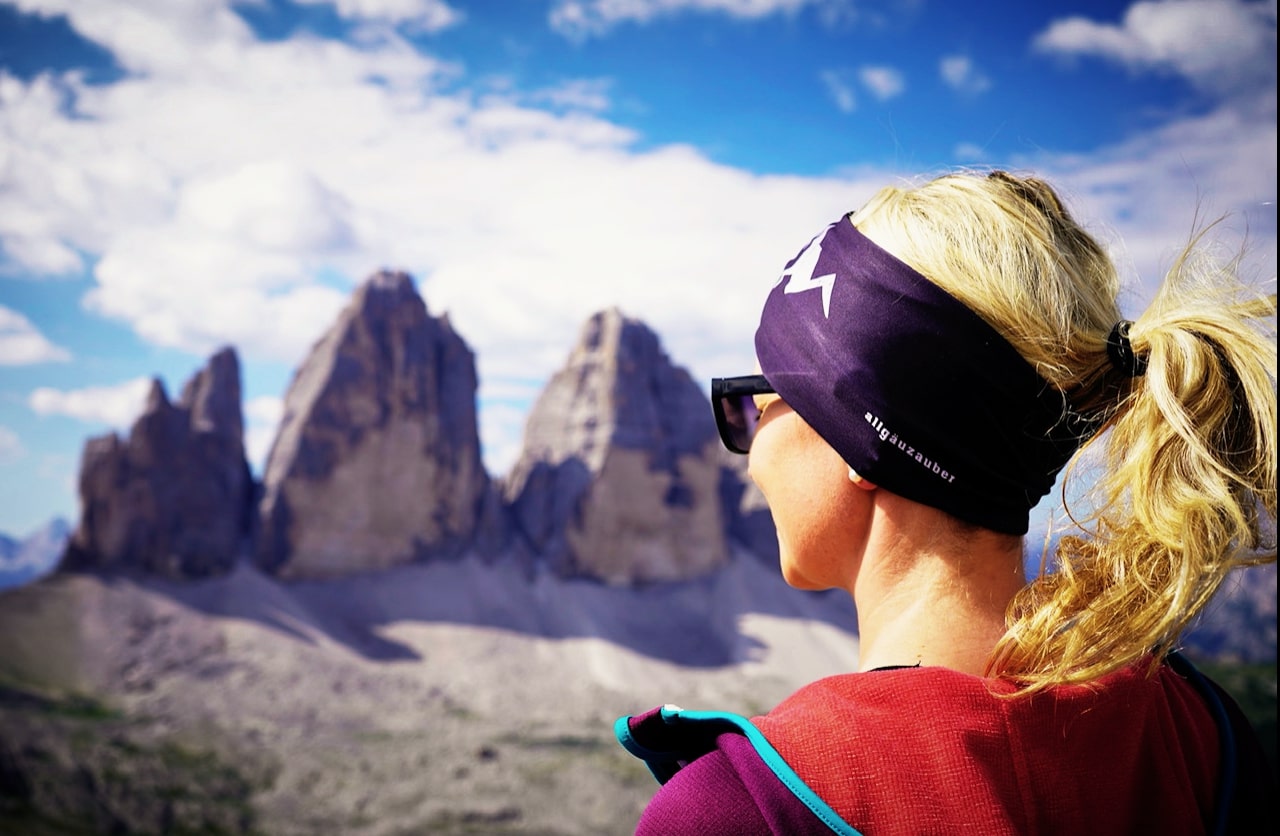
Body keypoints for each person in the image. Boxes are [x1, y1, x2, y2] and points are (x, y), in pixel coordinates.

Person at [615, 170, 1277, 835]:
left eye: (764, 397)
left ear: (858, 441)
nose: (751, 447)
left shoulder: (735, 811)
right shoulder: (1201, 733)